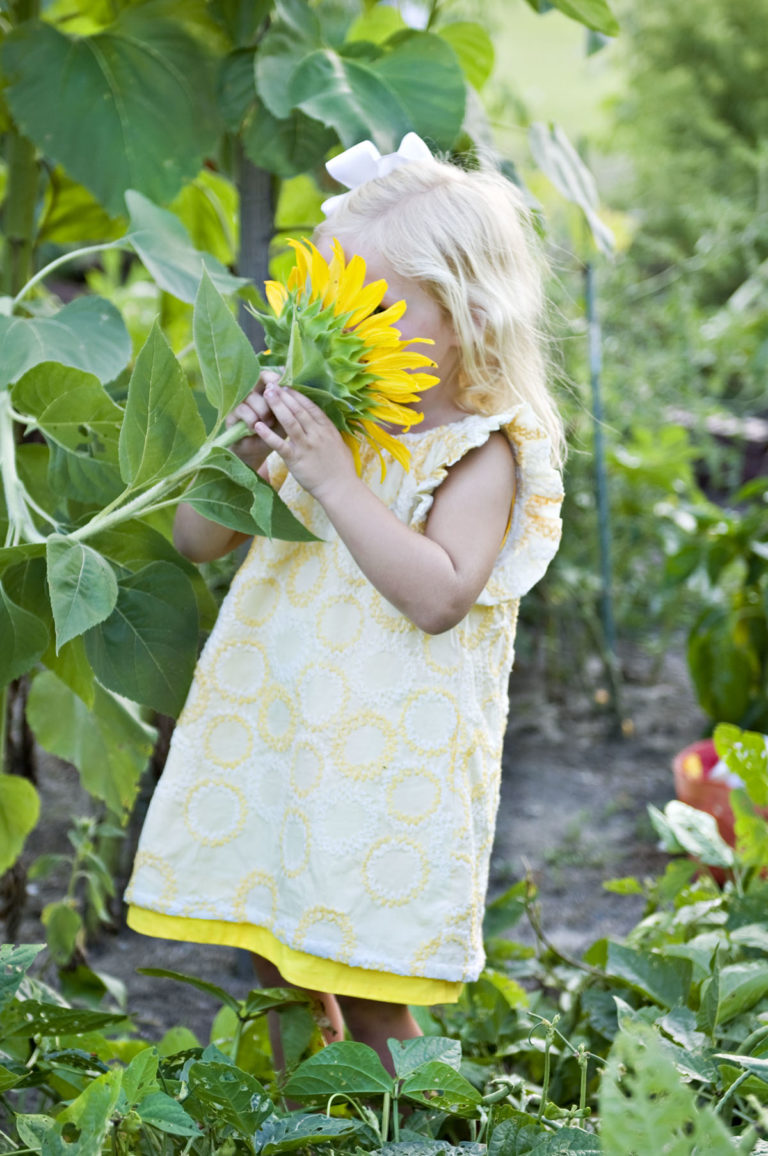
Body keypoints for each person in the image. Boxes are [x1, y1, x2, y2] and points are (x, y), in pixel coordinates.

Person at [125, 134, 565, 1073]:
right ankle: (305, 1113)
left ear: (466, 318)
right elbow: (196, 543)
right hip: (283, 729)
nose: (335, 324)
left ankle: (422, 1122)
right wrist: (242, 456)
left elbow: (441, 595)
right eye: (329, 301)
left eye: (371, 307)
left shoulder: (481, 451)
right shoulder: (337, 426)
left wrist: (333, 480)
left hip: (378, 764)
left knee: (366, 989)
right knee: (275, 951)